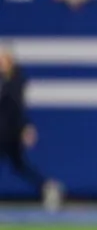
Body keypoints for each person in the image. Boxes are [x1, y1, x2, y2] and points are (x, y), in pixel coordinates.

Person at [0, 49, 62, 210]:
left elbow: (17, 108)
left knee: (21, 165)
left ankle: (48, 186)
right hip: (4, 131)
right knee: (20, 165)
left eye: (3, 60)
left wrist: (25, 127)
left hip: (10, 133)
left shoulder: (15, 83)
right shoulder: (4, 81)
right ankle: (47, 186)